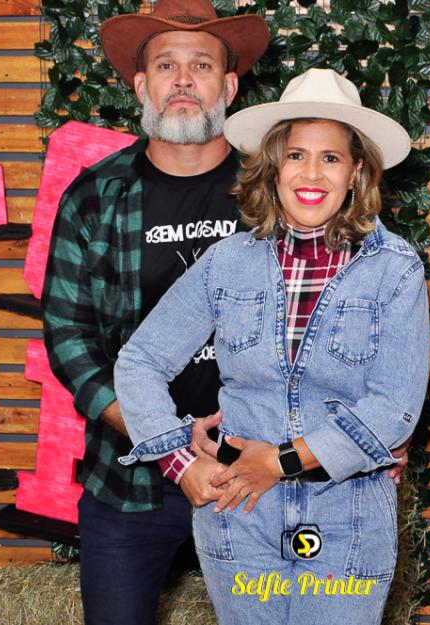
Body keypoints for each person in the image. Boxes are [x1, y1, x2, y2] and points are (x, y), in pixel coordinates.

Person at [114, 68, 430, 625]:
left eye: (330, 158)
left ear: (356, 171)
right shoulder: (227, 263)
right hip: (239, 514)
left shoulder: (395, 269)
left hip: (347, 516)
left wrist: (281, 462)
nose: (311, 173)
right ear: (273, 167)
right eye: (295, 155)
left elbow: (394, 409)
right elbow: (140, 361)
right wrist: (180, 462)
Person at [40, 1, 270, 624]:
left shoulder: (274, 195)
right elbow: (69, 337)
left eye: (202, 65)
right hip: (129, 483)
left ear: (229, 87)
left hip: (260, 474)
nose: (184, 80)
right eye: (167, 65)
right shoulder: (96, 196)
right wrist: (165, 441)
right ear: (143, 87)